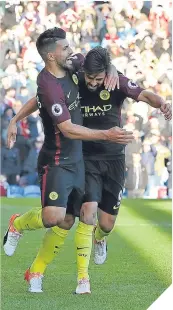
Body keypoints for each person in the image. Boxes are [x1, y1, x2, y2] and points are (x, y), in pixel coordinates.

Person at [5, 45, 172, 294]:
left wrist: (163, 104)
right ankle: (79, 279)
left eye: (98, 78)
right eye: (90, 78)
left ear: (106, 73)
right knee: (80, 214)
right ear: (83, 71)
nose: (93, 83)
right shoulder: (71, 80)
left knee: (105, 224)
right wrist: (16, 119)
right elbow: (42, 98)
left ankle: (100, 238)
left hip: (114, 159)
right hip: (83, 157)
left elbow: (145, 95)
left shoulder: (116, 81)